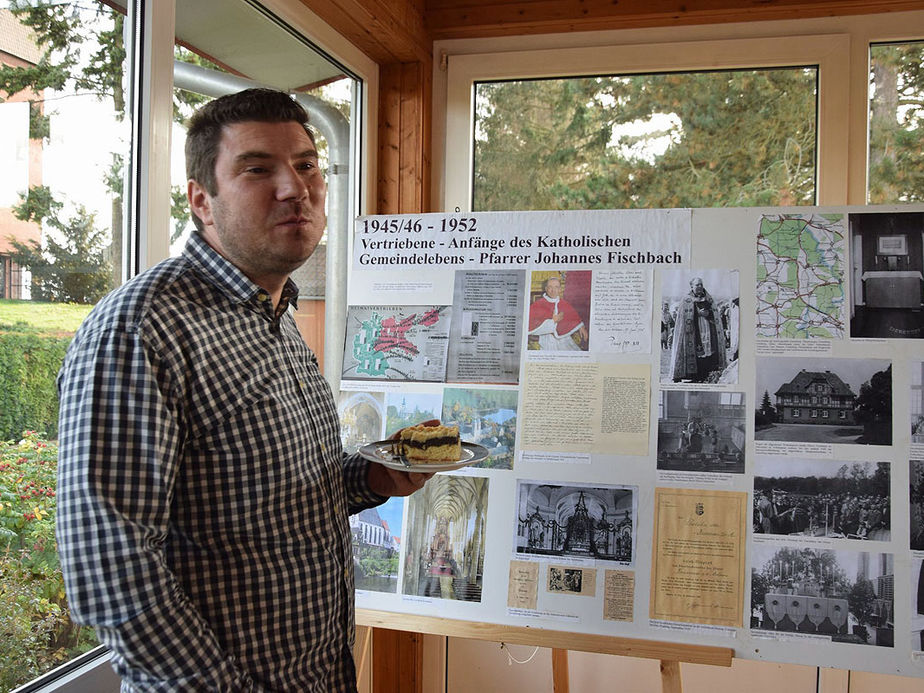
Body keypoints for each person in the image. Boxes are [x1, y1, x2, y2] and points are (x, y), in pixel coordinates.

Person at [55, 88, 432, 692]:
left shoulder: (279, 316)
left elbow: (269, 495)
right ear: (202, 200)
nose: (295, 188)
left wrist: (371, 476)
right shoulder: (143, 326)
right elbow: (109, 564)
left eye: (307, 165)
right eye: (258, 169)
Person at [668, 276, 727, 382]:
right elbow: (683, 318)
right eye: (697, 285)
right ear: (691, 286)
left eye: (701, 284)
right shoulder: (686, 300)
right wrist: (698, 313)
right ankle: (694, 375)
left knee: (708, 350)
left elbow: (715, 315)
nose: (700, 287)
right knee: (697, 351)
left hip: (707, 329)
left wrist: (708, 314)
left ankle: (707, 373)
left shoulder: (709, 299)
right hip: (693, 331)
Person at [527, 275, 588, 351]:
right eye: (550, 287)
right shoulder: (538, 304)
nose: (553, 290)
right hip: (546, 338)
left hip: (563, 338)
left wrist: (580, 326)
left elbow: (574, 317)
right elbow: (529, 325)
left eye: (556, 287)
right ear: (546, 289)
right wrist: (553, 321)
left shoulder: (564, 303)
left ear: (560, 289)